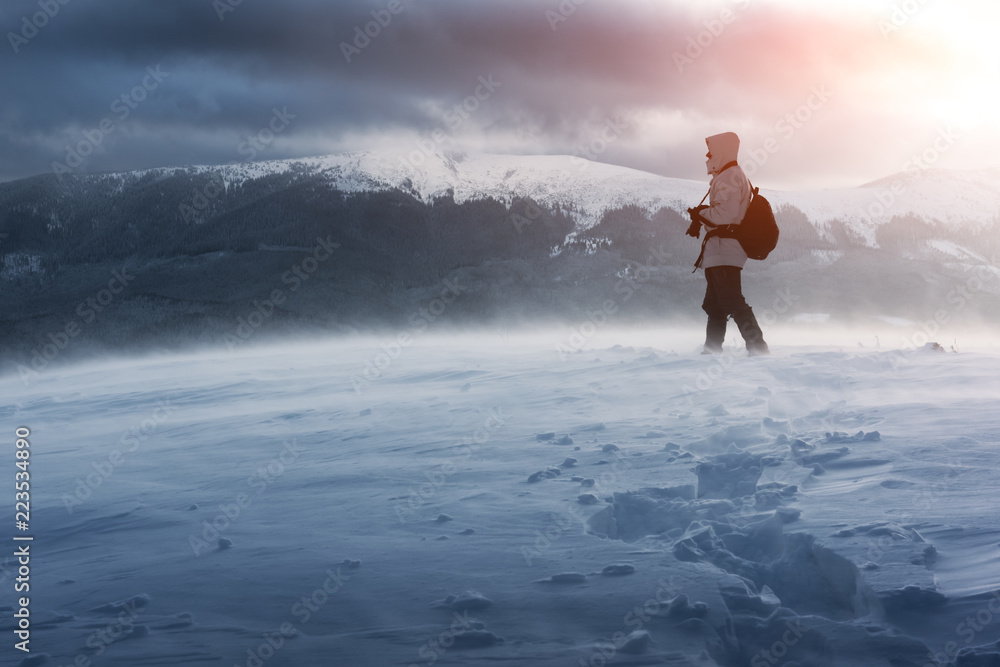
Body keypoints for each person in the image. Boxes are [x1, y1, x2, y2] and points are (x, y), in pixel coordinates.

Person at [686, 132, 769, 356]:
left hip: (725, 249)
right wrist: (702, 216)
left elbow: (725, 214)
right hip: (719, 250)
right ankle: (711, 350)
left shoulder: (730, 177)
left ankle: (758, 348)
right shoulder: (727, 176)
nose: (707, 155)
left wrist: (700, 213)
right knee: (716, 305)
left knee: (732, 301)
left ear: (721, 151)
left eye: (711, 150)